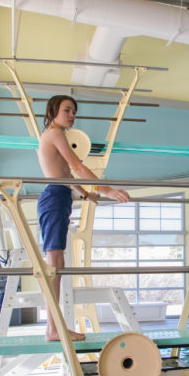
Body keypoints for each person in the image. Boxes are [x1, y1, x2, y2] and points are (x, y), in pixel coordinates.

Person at [37, 95, 130, 341]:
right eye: (67, 110)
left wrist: (85, 193)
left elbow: (65, 174)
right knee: (54, 264)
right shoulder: (55, 134)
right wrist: (106, 189)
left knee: (57, 264)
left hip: (60, 195)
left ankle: (53, 327)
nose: (72, 115)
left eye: (74, 111)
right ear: (53, 110)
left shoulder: (54, 136)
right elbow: (76, 166)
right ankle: (53, 328)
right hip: (55, 197)